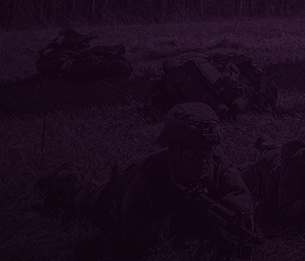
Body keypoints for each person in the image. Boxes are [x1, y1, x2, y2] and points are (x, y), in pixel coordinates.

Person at [34, 102, 256, 259]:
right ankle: (62, 176)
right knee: (83, 196)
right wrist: (175, 223)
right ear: (174, 149)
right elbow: (132, 240)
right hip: (114, 199)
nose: (204, 160)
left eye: (207, 152)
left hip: (161, 210)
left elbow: (242, 217)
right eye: (195, 154)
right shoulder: (146, 176)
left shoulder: (222, 168)